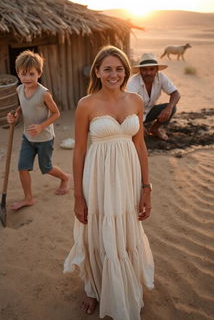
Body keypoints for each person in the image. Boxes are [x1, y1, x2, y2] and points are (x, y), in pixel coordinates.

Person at [64, 46, 154, 320]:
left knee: (124, 226)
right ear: (97, 72)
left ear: (126, 71)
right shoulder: (86, 104)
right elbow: (79, 151)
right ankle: (93, 288)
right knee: (97, 227)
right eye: (107, 69)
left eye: (119, 69)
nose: (114, 74)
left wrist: (146, 187)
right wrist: (78, 196)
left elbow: (140, 146)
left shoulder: (136, 101)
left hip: (128, 177)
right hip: (98, 177)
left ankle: (123, 284)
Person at [7, 50, 71, 210]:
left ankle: (64, 178)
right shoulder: (19, 90)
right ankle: (28, 198)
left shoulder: (44, 94)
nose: (27, 78)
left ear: (39, 73)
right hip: (28, 137)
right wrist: (15, 115)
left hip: (44, 138)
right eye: (24, 74)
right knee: (22, 168)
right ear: (18, 74)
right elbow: (23, 105)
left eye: (31, 74)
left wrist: (41, 126)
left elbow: (56, 113)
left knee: (46, 168)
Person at [127, 53, 180, 141]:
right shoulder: (133, 82)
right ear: (140, 70)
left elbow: (176, 94)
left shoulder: (161, 77)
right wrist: (139, 124)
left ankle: (155, 129)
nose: (148, 73)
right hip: (132, 115)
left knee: (172, 107)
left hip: (148, 112)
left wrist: (169, 108)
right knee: (136, 139)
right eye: (144, 69)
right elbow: (128, 107)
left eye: (152, 69)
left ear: (157, 70)